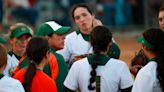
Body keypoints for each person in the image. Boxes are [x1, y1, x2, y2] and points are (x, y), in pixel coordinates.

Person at [64, 26, 133, 92]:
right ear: (110, 43)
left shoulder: (77, 65)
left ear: (90, 42)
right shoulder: (120, 66)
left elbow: (67, 90)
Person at [36, 21, 70, 92]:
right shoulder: (57, 58)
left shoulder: (24, 58)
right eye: (59, 34)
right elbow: (63, 89)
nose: (64, 37)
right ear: (47, 38)